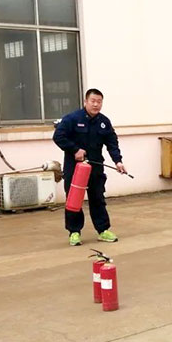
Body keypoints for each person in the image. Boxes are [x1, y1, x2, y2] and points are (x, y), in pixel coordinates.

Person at [53, 88, 127, 246]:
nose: (96, 104)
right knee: (74, 200)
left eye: (99, 102)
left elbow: (112, 143)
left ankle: (103, 230)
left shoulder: (104, 122)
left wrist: (118, 161)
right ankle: (74, 232)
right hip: (75, 168)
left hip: (95, 167)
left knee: (98, 199)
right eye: (92, 101)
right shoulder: (72, 118)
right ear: (85, 102)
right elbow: (58, 136)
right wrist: (75, 149)